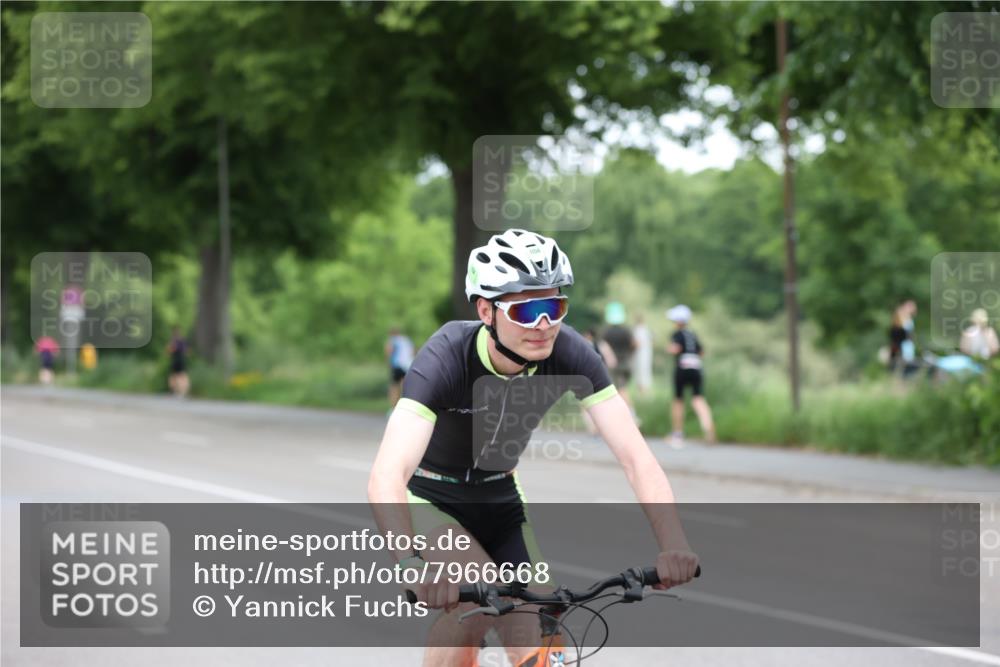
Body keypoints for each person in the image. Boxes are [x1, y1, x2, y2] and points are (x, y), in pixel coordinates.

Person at [368, 229, 699, 667]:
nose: (543, 325)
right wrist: (411, 563)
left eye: (554, 307)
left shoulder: (571, 353)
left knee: (541, 617)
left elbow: (636, 458)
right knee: (477, 598)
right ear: (486, 310)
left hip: (500, 497)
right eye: (527, 310)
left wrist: (673, 543)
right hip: (432, 496)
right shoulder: (445, 356)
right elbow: (386, 475)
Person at [666, 305, 716, 447]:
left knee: (678, 401)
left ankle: (677, 434)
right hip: (696, 367)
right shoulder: (693, 334)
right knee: (698, 399)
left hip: (682, 367)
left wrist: (670, 349)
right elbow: (701, 352)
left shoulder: (677, 334)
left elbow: (675, 349)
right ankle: (708, 428)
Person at [602, 301, 637, 416]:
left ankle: (632, 416)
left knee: (619, 391)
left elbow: (603, 348)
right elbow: (635, 344)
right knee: (621, 389)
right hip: (627, 364)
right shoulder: (627, 330)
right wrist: (630, 354)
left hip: (614, 366)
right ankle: (622, 415)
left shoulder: (606, 332)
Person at [385, 327, 415, 408]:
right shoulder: (407, 340)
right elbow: (412, 352)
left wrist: (389, 364)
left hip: (397, 366)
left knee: (394, 388)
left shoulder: (393, 340)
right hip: (408, 366)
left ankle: (393, 408)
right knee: (404, 388)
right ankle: (404, 407)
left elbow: (389, 351)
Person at [888, 300, 918, 377]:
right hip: (902, 346)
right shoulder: (901, 321)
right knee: (904, 366)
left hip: (906, 345)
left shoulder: (908, 319)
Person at [632, 313, 653, 396]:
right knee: (644, 371)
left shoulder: (638, 330)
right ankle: (643, 390)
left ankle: (642, 391)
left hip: (640, 354)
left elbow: (637, 343)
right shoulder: (646, 329)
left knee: (641, 371)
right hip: (646, 354)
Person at [166, 327, 189, 398]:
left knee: (175, 376)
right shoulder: (183, 341)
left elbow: (170, 350)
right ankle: (180, 391)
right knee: (180, 375)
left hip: (176, 360)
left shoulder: (174, 341)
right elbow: (187, 351)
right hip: (182, 359)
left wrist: (169, 348)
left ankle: (177, 391)